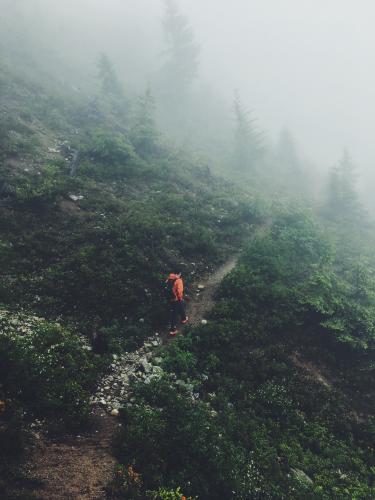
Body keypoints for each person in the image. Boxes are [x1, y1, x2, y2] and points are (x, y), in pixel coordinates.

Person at [165, 270, 188, 336]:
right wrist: (180, 298)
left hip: (170, 299)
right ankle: (172, 330)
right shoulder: (178, 281)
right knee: (174, 313)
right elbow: (179, 291)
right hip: (176, 299)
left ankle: (184, 318)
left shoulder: (169, 278)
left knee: (180, 306)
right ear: (179, 273)